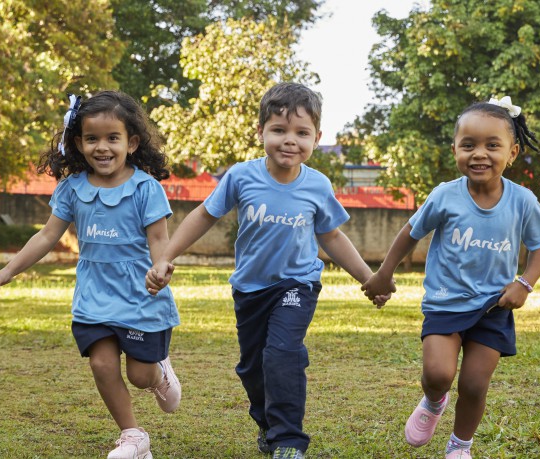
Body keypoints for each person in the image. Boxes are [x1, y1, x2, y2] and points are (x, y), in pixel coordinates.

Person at [146, 82, 387, 459]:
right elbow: (203, 216)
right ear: (260, 132)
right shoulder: (242, 176)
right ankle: (269, 425)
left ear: (316, 138)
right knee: (252, 368)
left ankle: (288, 441)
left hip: (297, 284)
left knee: (282, 354)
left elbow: (333, 237)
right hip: (250, 290)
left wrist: (368, 278)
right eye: (279, 130)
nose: (290, 141)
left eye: (302, 133)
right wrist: (166, 257)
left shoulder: (317, 185)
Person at [0, 90, 181, 459]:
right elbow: (47, 235)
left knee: (140, 376)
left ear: (132, 142)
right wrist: (10, 269)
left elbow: (159, 239)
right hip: (94, 295)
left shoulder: (145, 188)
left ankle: (161, 373)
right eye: (92, 138)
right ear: (78, 143)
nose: (102, 147)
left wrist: (161, 267)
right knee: (102, 363)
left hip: (141, 295)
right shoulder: (72, 188)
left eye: (113, 138)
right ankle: (133, 437)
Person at [362, 96, 540, 459]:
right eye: (468, 145)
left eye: (492, 145)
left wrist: (525, 283)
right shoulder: (445, 195)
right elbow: (410, 231)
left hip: (493, 307)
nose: (479, 153)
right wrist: (383, 274)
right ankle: (434, 402)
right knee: (439, 373)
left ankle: (459, 446)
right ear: (455, 149)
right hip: (445, 301)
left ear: (512, 152)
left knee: (473, 384)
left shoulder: (522, 201)